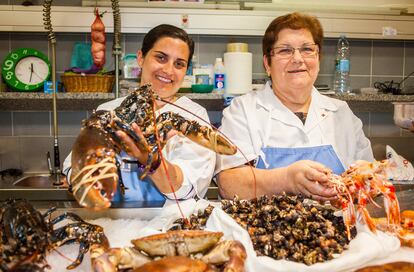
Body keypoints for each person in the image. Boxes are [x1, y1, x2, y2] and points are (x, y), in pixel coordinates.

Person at [215, 12, 374, 201]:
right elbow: (228, 183)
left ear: (318, 58)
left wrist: (365, 179)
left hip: (339, 227)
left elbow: (369, 177)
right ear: (267, 63)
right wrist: (288, 179)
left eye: (307, 49)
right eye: (285, 50)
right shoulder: (243, 110)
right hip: (263, 229)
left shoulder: (341, 112)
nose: (298, 58)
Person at [63, 24, 216, 204]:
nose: (168, 70)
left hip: (169, 225)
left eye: (179, 64)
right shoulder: (108, 110)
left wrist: (151, 160)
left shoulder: (193, 116)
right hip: (113, 224)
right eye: (161, 58)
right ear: (141, 58)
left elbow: (186, 188)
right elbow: (73, 174)